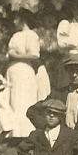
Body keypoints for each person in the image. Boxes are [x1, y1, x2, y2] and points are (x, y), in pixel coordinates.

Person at [7, 9, 48, 137]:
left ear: (22, 20)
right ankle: (13, 132)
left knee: (23, 100)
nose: (14, 22)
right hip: (13, 71)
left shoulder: (31, 35)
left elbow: (34, 55)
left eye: (16, 19)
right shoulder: (15, 35)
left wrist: (16, 56)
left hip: (24, 71)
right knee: (13, 99)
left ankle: (25, 132)